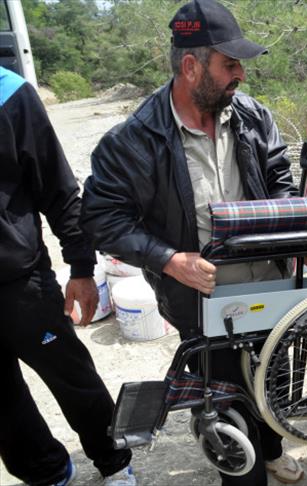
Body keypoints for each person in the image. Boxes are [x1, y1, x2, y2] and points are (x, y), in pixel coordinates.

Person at [81, 1, 305, 484]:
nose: (240, 74)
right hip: (203, 300)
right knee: (226, 401)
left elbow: (279, 180)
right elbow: (100, 218)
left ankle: (271, 447)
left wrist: (299, 233)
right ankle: (245, 466)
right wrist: (168, 259)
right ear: (190, 66)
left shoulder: (252, 116)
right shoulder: (134, 140)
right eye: (230, 64)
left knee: (271, 379)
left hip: (269, 285)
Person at [0, 67, 135, 486]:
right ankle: (47, 472)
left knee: (72, 376)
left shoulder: (9, 94)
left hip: (20, 283)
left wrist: (81, 268)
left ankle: (114, 461)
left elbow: (58, 189)